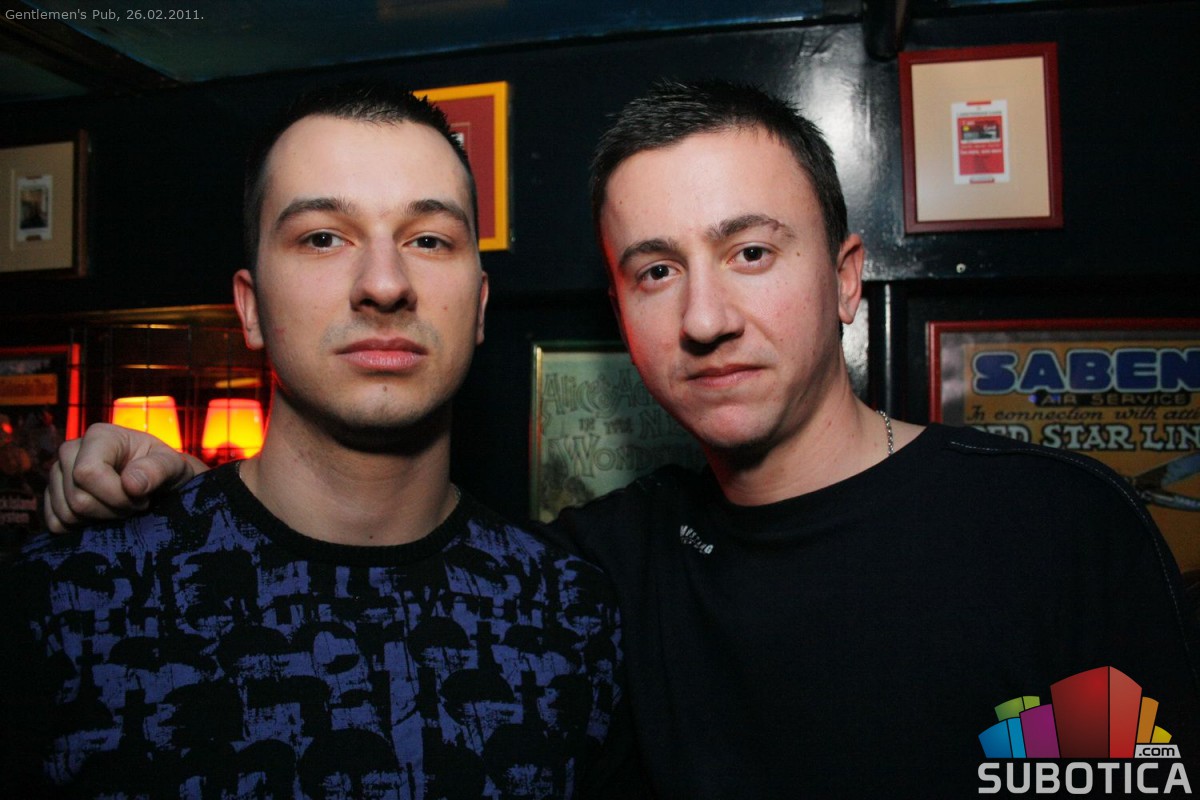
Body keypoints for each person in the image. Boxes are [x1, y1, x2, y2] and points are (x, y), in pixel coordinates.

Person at [40, 80, 1200, 796]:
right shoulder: (601, 572)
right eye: (655, 270)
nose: (705, 316)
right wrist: (157, 489)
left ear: (849, 278)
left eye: (752, 252)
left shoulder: (1050, 530)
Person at [0, 83, 640, 799]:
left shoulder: (571, 615)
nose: (384, 284)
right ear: (251, 309)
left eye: (428, 239)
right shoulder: (72, 598)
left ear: (481, 307)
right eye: (323, 238)